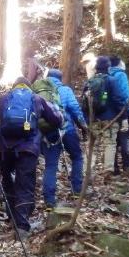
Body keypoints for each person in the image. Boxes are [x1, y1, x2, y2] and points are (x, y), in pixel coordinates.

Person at [0, 77, 62, 239]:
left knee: (8, 180)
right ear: (29, 87)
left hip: (4, 148)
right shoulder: (36, 99)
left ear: (14, 86)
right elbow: (57, 119)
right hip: (28, 148)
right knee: (25, 183)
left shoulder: (4, 98)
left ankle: (11, 215)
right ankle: (22, 226)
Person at [41, 69, 88, 207]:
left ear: (47, 77)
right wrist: (84, 126)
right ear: (60, 79)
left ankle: (49, 200)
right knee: (77, 157)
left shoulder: (39, 90)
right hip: (67, 130)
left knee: (51, 165)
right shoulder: (65, 90)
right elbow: (75, 109)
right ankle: (77, 190)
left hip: (48, 132)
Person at [108, 56, 129, 175]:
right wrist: (128, 112)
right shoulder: (121, 75)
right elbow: (125, 95)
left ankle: (114, 169)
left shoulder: (105, 75)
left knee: (112, 141)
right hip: (121, 113)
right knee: (124, 139)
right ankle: (127, 166)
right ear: (119, 64)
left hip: (108, 115)